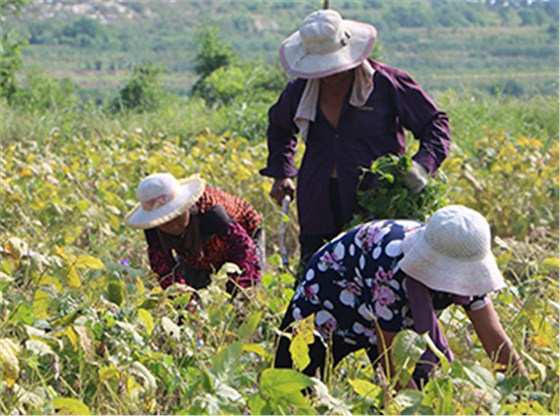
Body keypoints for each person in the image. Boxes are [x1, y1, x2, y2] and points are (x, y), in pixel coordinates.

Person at [260, 9, 451, 270]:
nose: (329, 73)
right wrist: (282, 174)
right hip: (319, 199)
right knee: (318, 277)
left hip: (376, 201)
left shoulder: (384, 84)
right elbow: (280, 127)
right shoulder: (300, 90)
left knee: (378, 278)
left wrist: (422, 165)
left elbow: (435, 124)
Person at [274, 205, 527, 389]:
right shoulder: (390, 269)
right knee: (293, 390)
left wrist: (525, 393)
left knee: (426, 385)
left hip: (387, 315)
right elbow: (393, 368)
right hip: (329, 303)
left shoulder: (464, 255)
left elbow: (496, 340)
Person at [125, 172, 263, 297]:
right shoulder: (153, 227)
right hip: (195, 249)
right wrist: (183, 299)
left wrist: (239, 291)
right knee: (191, 294)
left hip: (243, 232)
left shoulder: (211, 212)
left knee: (242, 295)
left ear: (186, 208)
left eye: (176, 216)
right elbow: (164, 268)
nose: (174, 225)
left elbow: (244, 249)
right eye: (166, 221)